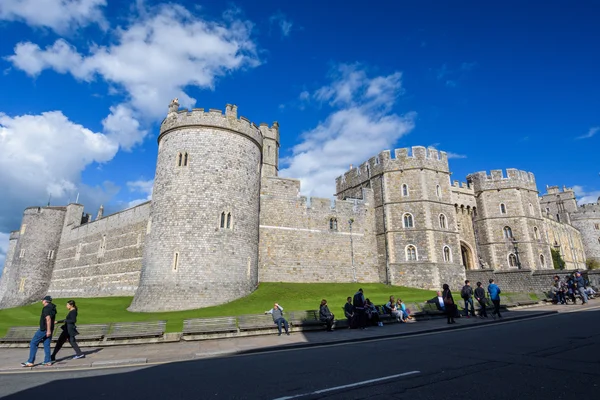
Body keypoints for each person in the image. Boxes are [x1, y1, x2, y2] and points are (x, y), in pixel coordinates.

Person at [21, 296, 57, 367]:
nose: (42, 301)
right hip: (50, 328)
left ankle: (30, 361)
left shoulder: (46, 308)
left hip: (44, 329)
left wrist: (48, 330)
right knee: (46, 344)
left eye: (43, 300)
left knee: (33, 343)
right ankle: (47, 361)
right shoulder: (52, 307)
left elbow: (48, 319)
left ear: (45, 301)